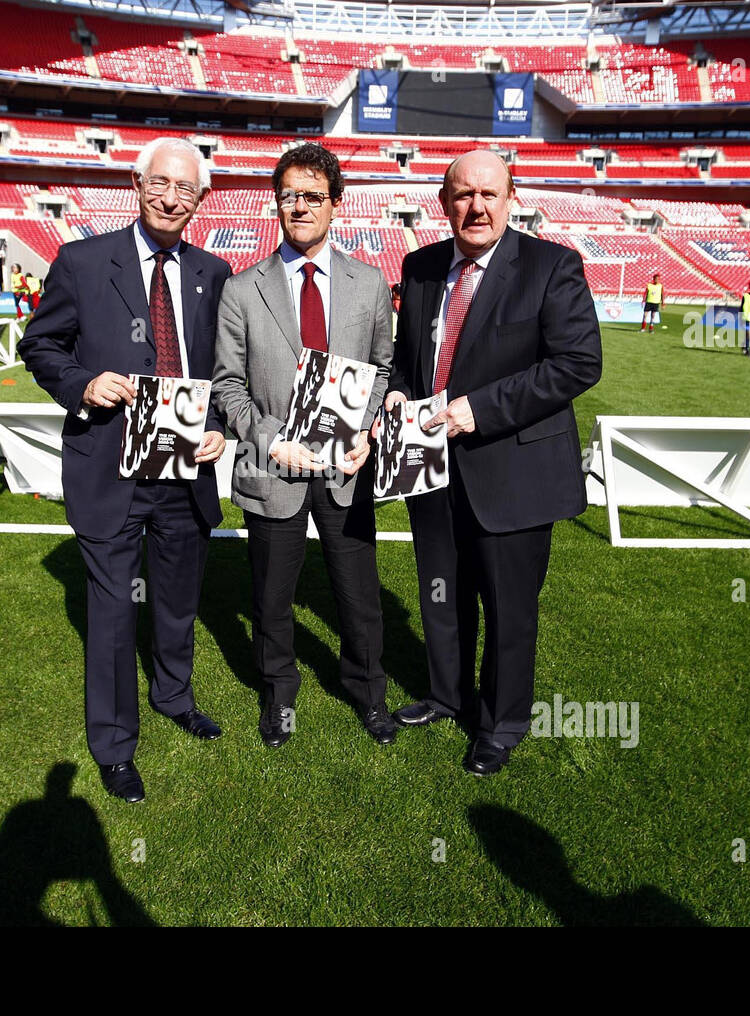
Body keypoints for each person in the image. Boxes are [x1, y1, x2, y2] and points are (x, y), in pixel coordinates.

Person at [17, 137, 233, 804]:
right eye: (160, 184)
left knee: (176, 600)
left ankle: (174, 696)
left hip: (182, 468)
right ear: (137, 185)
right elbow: (39, 344)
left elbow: (225, 373)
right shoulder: (82, 262)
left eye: (186, 190)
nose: (171, 198)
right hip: (108, 464)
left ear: (201, 200)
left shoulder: (214, 273)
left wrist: (220, 426)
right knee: (112, 611)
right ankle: (113, 744)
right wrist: (84, 383)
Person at [383, 150, 602, 776]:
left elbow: (577, 363)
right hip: (430, 466)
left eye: (489, 194)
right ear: (443, 200)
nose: (475, 207)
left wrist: (475, 409)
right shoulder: (422, 265)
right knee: (441, 595)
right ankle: (446, 696)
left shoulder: (551, 265)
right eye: (462, 194)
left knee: (509, 607)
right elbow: (409, 356)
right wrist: (399, 390)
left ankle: (501, 724)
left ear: (512, 197)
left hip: (513, 471)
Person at [212, 143, 396, 748]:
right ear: (277, 202)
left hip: (344, 465)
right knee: (271, 599)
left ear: (336, 205)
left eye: (313, 196)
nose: (300, 207)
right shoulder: (242, 290)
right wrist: (270, 441)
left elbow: (382, 371)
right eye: (289, 195)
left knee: (358, 595)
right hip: (273, 468)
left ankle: (368, 692)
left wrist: (364, 430)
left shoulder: (369, 284)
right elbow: (228, 385)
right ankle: (279, 693)